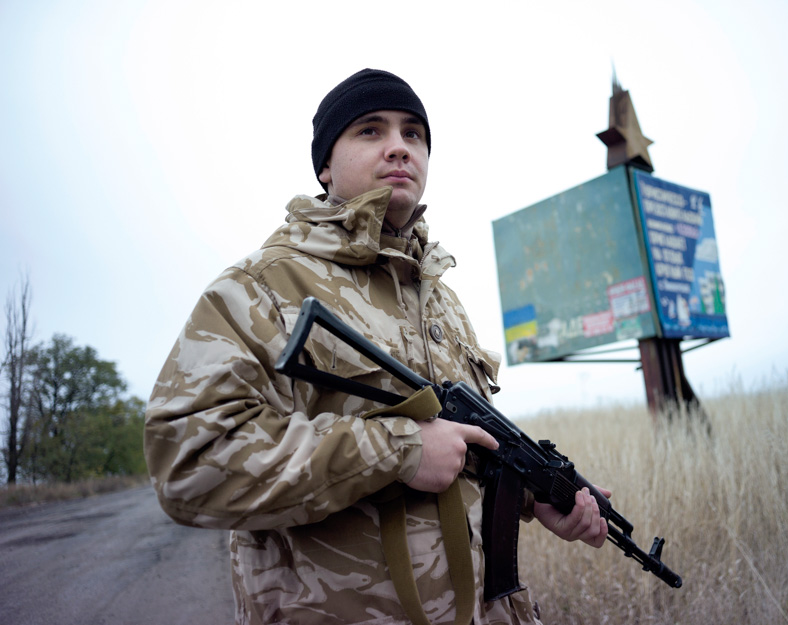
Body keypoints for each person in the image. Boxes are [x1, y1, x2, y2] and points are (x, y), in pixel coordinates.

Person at [144, 68, 609, 625]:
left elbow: (465, 449)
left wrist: (535, 494)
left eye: (414, 134)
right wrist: (396, 450)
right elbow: (186, 462)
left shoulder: (442, 302)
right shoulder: (261, 287)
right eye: (370, 131)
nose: (399, 147)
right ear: (324, 164)